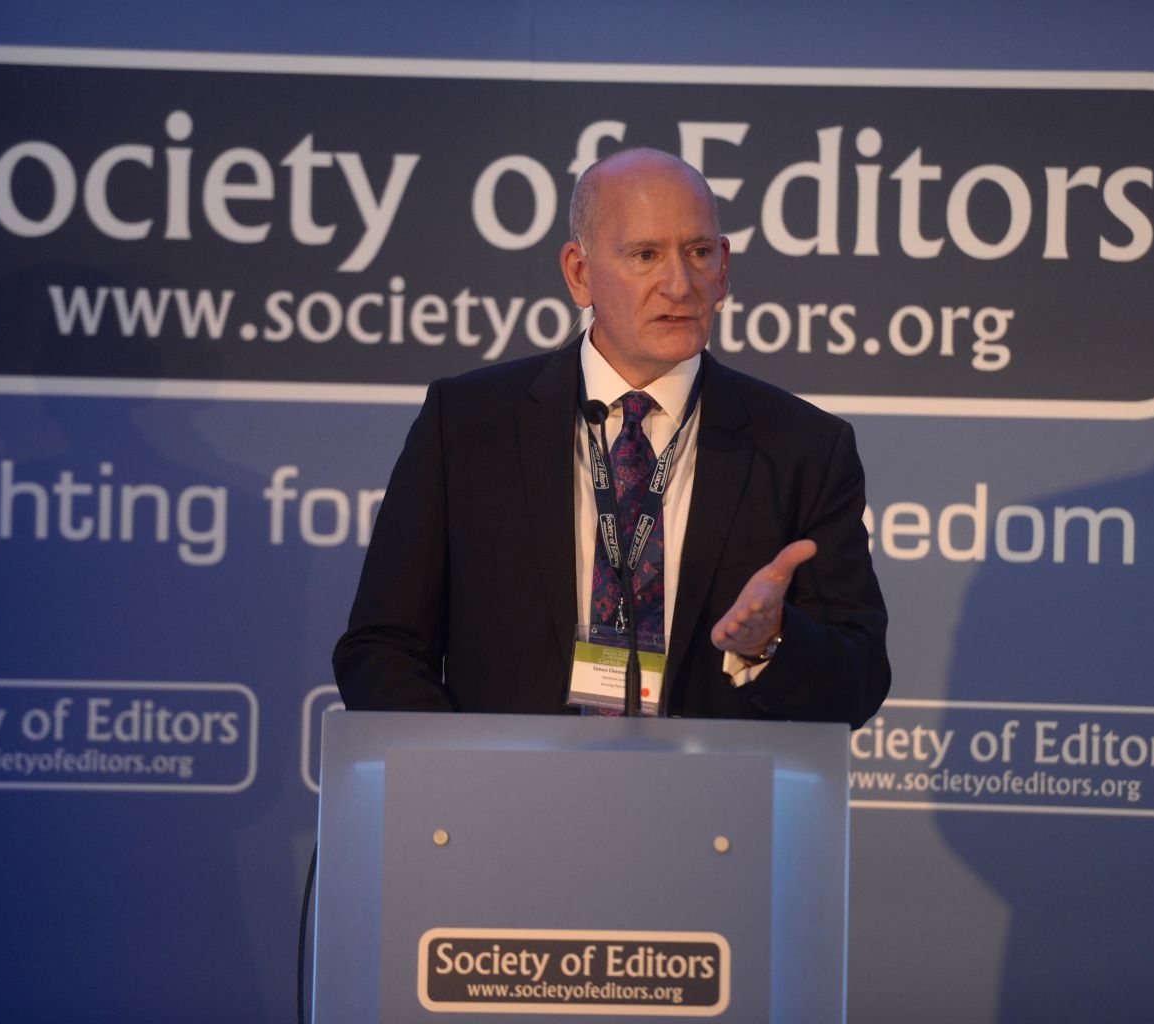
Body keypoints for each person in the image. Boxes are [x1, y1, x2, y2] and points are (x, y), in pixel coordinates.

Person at [333, 148, 888, 727]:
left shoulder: (803, 449)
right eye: (646, 255)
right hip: (506, 786)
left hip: (710, 786)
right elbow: (381, 648)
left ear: (723, 268)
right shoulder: (467, 426)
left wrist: (771, 644)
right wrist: (465, 767)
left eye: (698, 253)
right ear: (579, 273)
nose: (679, 284)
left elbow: (860, 680)